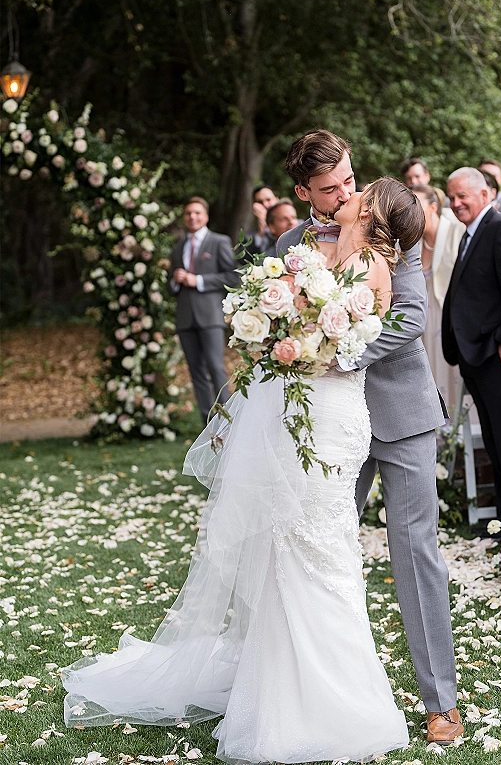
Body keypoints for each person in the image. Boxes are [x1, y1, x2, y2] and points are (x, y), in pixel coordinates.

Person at [61, 178, 416, 762]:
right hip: (317, 408)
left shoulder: (371, 263)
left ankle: (330, 701)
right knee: (291, 547)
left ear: (373, 210)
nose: (351, 194)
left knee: (315, 549)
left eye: (362, 190)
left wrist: (292, 326)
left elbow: (329, 335)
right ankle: (283, 691)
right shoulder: (333, 251)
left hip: (328, 417)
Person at [280, 130, 463, 745]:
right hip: (330, 428)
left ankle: (441, 700)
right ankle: (322, 696)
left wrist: (341, 359)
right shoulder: (288, 245)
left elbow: (411, 317)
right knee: (319, 552)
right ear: (304, 191)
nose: (346, 195)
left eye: (349, 180)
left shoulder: (391, 221)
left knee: (416, 555)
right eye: (330, 189)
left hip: (401, 412)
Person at [442, 168, 501, 517]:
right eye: (452, 197)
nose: (456, 203)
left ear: (485, 194)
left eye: (462, 195)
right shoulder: (471, 234)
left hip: (498, 357)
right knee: (495, 445)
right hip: (476, 358)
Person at [167, 196, 239, 422]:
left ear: (206, 216)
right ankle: (206, 423)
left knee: (215, 366)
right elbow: (169, 287)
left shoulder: (219, 242)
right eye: (188, 213)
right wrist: (175, 281)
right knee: (196, 372)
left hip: (210, 316)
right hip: (185, 318)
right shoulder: (178, 248)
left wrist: (197, 280)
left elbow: (233, 277)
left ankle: (226, 419)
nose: (192, 217)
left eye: (197, 212)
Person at [412, 184, 465, 411]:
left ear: (434, 207)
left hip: (448, 317)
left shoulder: (456, 230)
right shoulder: (410, 241)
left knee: (451, 375)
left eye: (416, 205)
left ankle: (461, 434)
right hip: (422, 322)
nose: (409, 212)